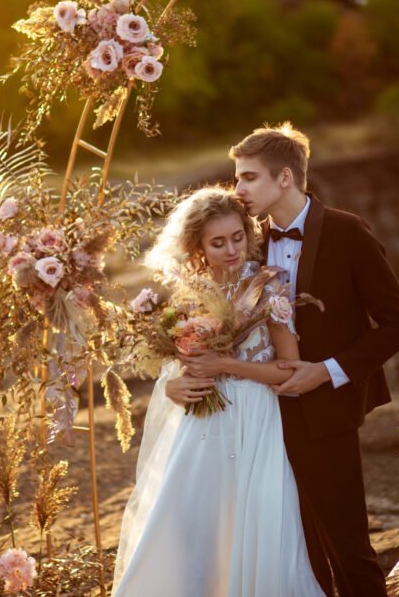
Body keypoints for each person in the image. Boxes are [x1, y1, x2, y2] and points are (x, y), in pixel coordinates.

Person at [185, 123, 399, 596]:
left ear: (284, 178)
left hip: (326, 411)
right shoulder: (244, 242)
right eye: (237, 178)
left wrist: (325, 373)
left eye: (248, 177)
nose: (238, 189)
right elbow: (200, 318)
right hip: (258, 417)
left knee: (348, 546)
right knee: (295, 548)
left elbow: (397, 326)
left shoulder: (349, 233)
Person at [112, 186, 328, 597]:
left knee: (257, 523)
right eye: (218, 242)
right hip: (202, 423)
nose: (231, 249)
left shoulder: (270, 286)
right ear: (198, 246)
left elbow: (288, 370)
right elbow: (180, 364)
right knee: (189, 524)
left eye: (238, 237)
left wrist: (228, 365)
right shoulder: (188, 294)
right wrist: (175, 384)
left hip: (256, 418)